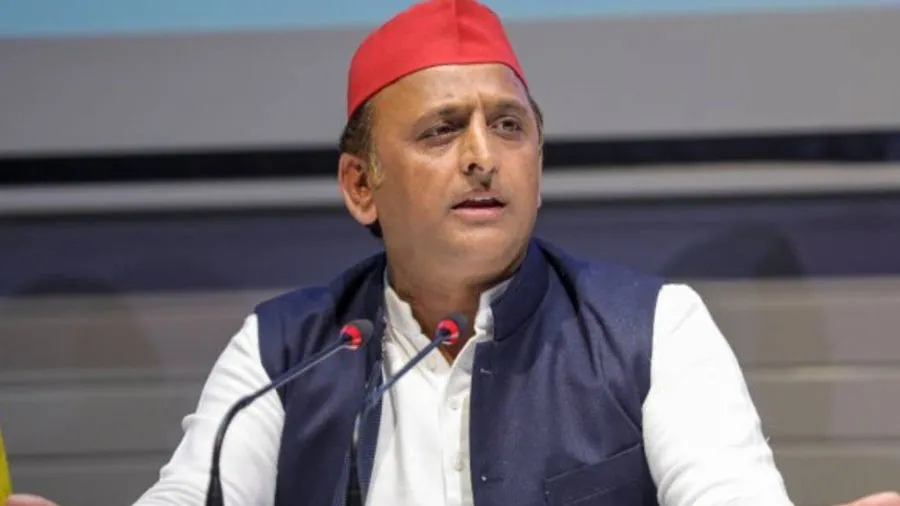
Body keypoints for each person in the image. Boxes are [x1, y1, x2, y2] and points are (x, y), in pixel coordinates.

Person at [6, 1, 900, 505]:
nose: (483, 155)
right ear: (361, 185)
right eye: (441, 130)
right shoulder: (283, 352)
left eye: (508, 126)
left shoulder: (653, 329)